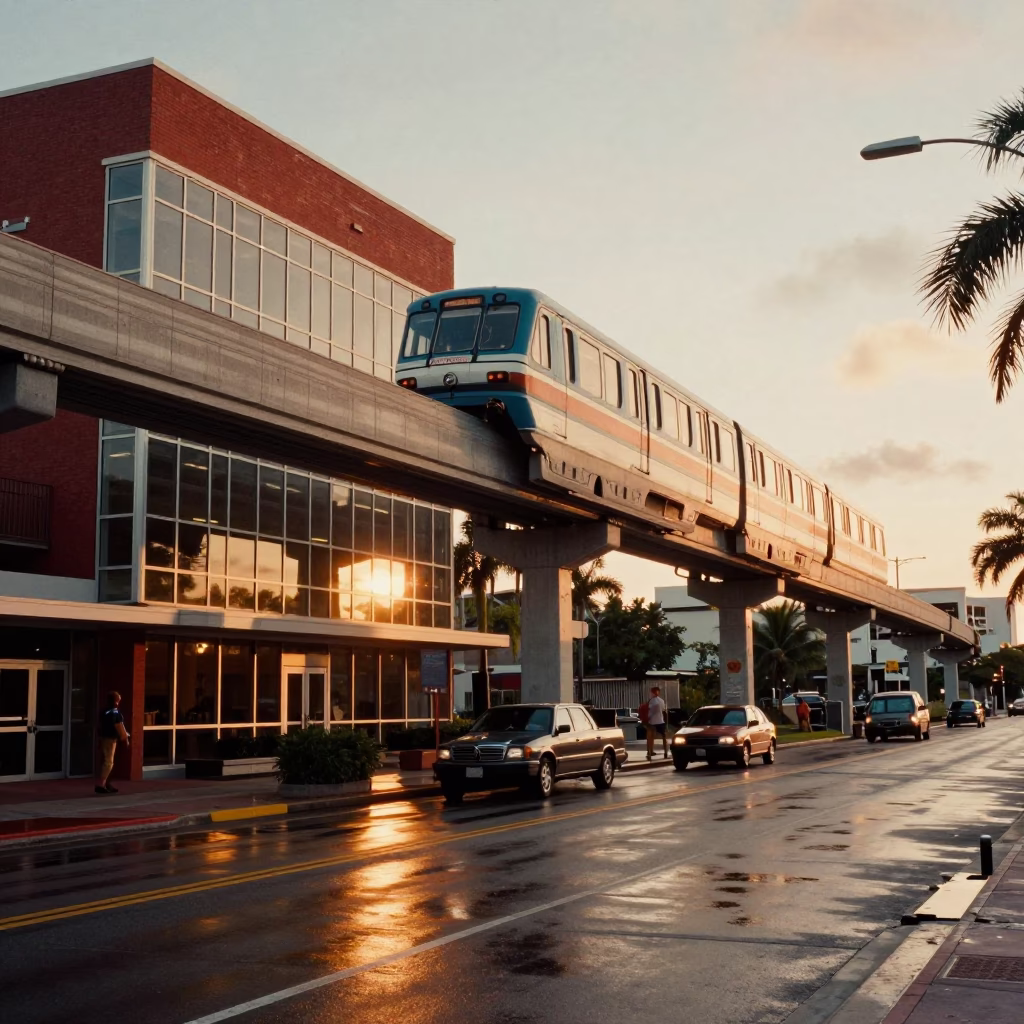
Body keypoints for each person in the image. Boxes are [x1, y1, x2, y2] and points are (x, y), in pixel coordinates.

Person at [96, 690, 129, 794]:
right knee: (109, 763)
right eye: (118, 700)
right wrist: (125, 737)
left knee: (106, 761)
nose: (119, 702)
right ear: (116, 701)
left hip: (103, 738)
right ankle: (101, 784)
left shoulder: (103, 711)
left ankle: (107, 784)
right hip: (111, 739)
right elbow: (119, 726)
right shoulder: (115, 712)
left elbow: (100, 725)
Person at [646, 686, 669, 760]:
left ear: (653, 692)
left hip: (652, 722)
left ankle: (649, 753)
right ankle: (665, 752)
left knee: (650, 737)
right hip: (660, 721)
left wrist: (647, 718)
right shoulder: (661, 701)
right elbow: (663, 710)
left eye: (651, 692)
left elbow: (650, 711)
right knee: (664, 737)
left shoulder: (651, 701)